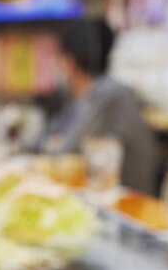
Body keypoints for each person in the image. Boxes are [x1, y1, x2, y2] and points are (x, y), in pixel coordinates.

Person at [45, 18, 158, 194]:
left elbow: (64, 155)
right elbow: (46, 143)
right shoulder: (79, 100)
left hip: (125, 208)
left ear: (69, 62)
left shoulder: (110, 95)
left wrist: (55, 146)